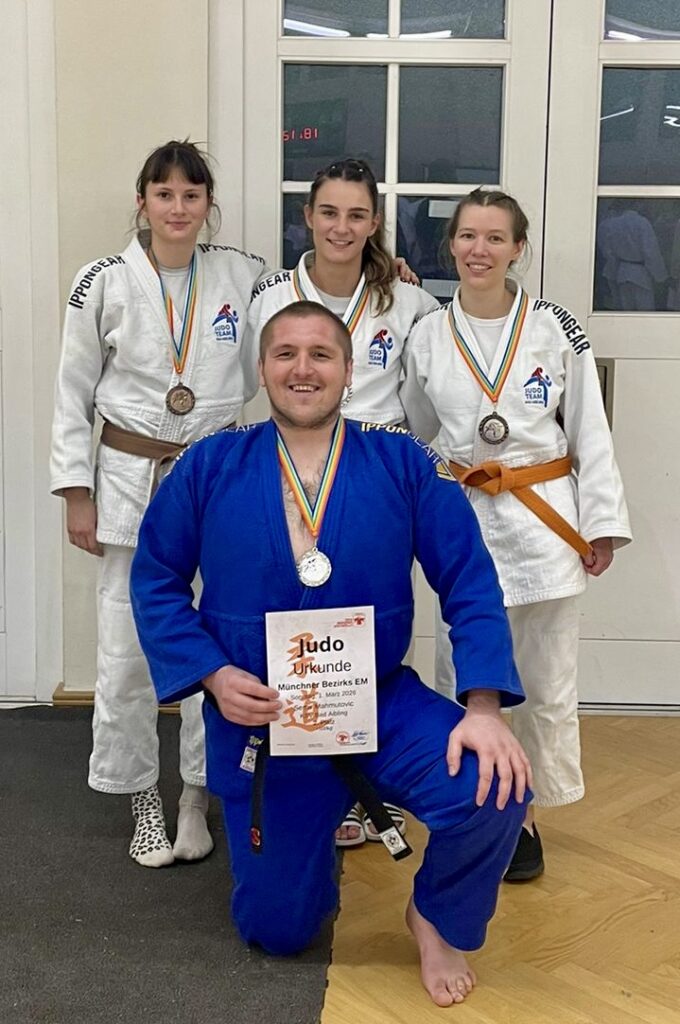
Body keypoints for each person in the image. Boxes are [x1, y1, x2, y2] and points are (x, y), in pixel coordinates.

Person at [130, 300, 531, 1006]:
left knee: (496, 787)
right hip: (266, 719)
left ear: (349, 370)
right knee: (278, 931)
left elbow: (469, 580)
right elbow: (155, 578)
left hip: (380, 702)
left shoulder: (404, 461)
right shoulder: (209, 463)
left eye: (321, 354)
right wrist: (214, 675)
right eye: (285, 354)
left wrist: (484, 707)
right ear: (262, 369)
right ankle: (304, 851)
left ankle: (437, 916)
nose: (303, 369)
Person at [401, 188, 632, 881]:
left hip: (544, 518)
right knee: (463, 675)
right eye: (468, 236)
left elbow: (589, 427)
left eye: (495, 238)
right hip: (463, 520)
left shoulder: (555, 329)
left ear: (518, 248)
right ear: (451, 245)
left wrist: (601, 524)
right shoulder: (427, 334)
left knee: (544, 679)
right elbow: (416, 434)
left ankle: (524, 812)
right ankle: (476, 809)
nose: (480, 250)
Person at [50, 140, 268, 868]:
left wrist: (386, 270)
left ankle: (196, 795)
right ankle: (142, 795)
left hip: (215, 475)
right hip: (128, 477)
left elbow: (312, 294)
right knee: (126, 648)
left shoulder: (241, 274)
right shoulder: (102, 281)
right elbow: (72, 389)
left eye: (191, 195)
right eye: (164, 193)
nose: (178, 207)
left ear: (208, 205)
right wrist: (75, 491)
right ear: (142, 201)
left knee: (216, 636)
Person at [248, 157, 439, 845]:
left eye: (357, 215)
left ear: (376, 222)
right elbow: (254, 382)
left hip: (375, 479)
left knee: (376, 629)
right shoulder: (272, 296)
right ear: (307, 216)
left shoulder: (409, 303)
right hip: (292, 472)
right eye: (329, 212)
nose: (341, 227)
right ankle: (310, 774)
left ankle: (370, 785)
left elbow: (425, 405)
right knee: (305, 629)